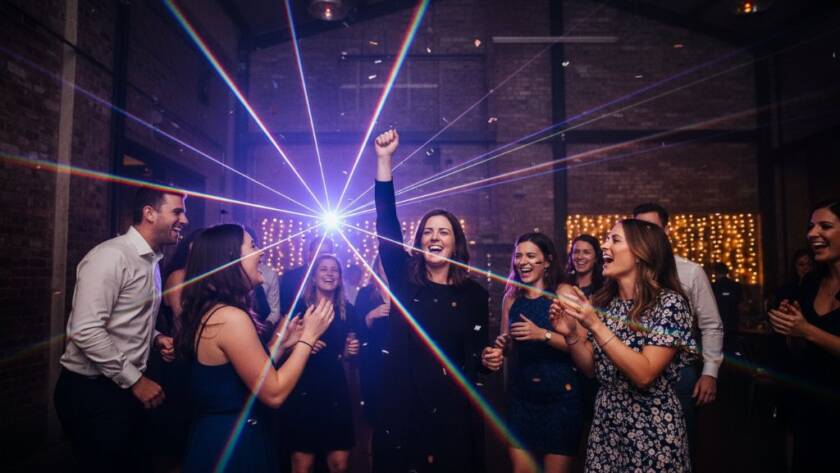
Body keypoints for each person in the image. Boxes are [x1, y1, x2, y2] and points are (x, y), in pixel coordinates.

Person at [372, 129, 489, 472]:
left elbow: (477, 357)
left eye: (443, 232)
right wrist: (384, 160)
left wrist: (490, 358)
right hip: (404, 408)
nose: (434, 237)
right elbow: (386, 224)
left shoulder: (474, 295)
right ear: (420, 242)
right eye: (428, 231)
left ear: (456, 244)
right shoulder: (405, 281)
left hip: (454, 413)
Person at [176, 223, 334, 473]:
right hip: (233, 446)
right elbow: (274, 392)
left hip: (218, 436)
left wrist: (280, 346)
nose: (261, 252)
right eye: (253, 246)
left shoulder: (214, 310)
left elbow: (239, 374)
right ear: (231, 260)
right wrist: (309, 338)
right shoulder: (231, 318)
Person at [53, 187, 188, 473]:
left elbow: (124, 319)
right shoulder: (111, 257)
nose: (184, 220)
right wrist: (136, 381)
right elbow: (86, 329)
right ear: (149, 213)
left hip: (121, 388)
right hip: (93, 392)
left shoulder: (151, 260)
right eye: (177, 211)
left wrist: (156, 337)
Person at [550, 219, 697, 472]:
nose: (605, 246)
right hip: (607, 424)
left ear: (641, 253)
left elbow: (645, 374)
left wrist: (595, 325)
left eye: (614, 240)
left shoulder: (669, 304)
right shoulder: (606, 303)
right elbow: (591, 369)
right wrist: (572, 335)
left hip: (651, 427)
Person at [482, 233, 581, 473]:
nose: (522, 261)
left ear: (547, 261)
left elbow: (582, 346)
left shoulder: (564, 292)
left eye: (530, 256)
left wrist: (542, 335)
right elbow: (507, 345)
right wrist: (498, 348)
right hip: (522, 396)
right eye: (518, 256)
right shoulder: (511, 297)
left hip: (560, 398)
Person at [633, 203, 723, 458]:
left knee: (678, 451)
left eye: (652, 228)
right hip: (634, 373)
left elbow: (711, 325)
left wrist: (710, 372)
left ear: (666, 231)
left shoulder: (690, 271)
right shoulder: (628, 272)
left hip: (679, 376)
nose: (646, 235)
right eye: (640, 229)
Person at [768, 199, 840, 471]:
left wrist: (807, 330)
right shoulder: (810, 284)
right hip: (810, 406)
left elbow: (812, 335)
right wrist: (791, 328)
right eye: (810, 226)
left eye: (825, 226)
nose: (812, 233)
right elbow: (800, 350)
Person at [282, 254, 360, 473]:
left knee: (339, 463)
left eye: (334, 270)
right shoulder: (300, 306)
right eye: (323, 269)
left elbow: (347, 352)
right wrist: (301, 343)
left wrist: (349, 351)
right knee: (302, 463)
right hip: (303, 387)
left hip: (335, 388)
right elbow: (279, 347)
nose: (329, 274)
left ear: (339, 277)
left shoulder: (348, 310)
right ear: (314, 277)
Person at [145, 227, 203, 471]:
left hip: (195, 360)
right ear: (190, 248)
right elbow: (183, 324)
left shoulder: (206, 279)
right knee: (175, 439)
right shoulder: (179, 276)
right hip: (178, 361)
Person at [354, 256, 391, 425]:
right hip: (372, 360)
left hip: (399, 358)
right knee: (374, 416)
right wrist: (370, 316)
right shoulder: (366, 293)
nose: (388, 266)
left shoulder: (407, 292)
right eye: (384, 262)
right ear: (377, 266)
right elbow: (356, 329)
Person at [281, 237, 336, 316]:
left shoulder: (333, 277)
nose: (324, 256)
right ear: (310, 253)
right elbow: (284, 309)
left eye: (328, 254)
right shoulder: (291, 277)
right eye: (320, 253)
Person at [711, 262, 743, 352]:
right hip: (733, 323)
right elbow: (741, 304)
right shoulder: (736, 286)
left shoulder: (712, 287)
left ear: (715, 272)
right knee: (732, 349)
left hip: (717, 324)